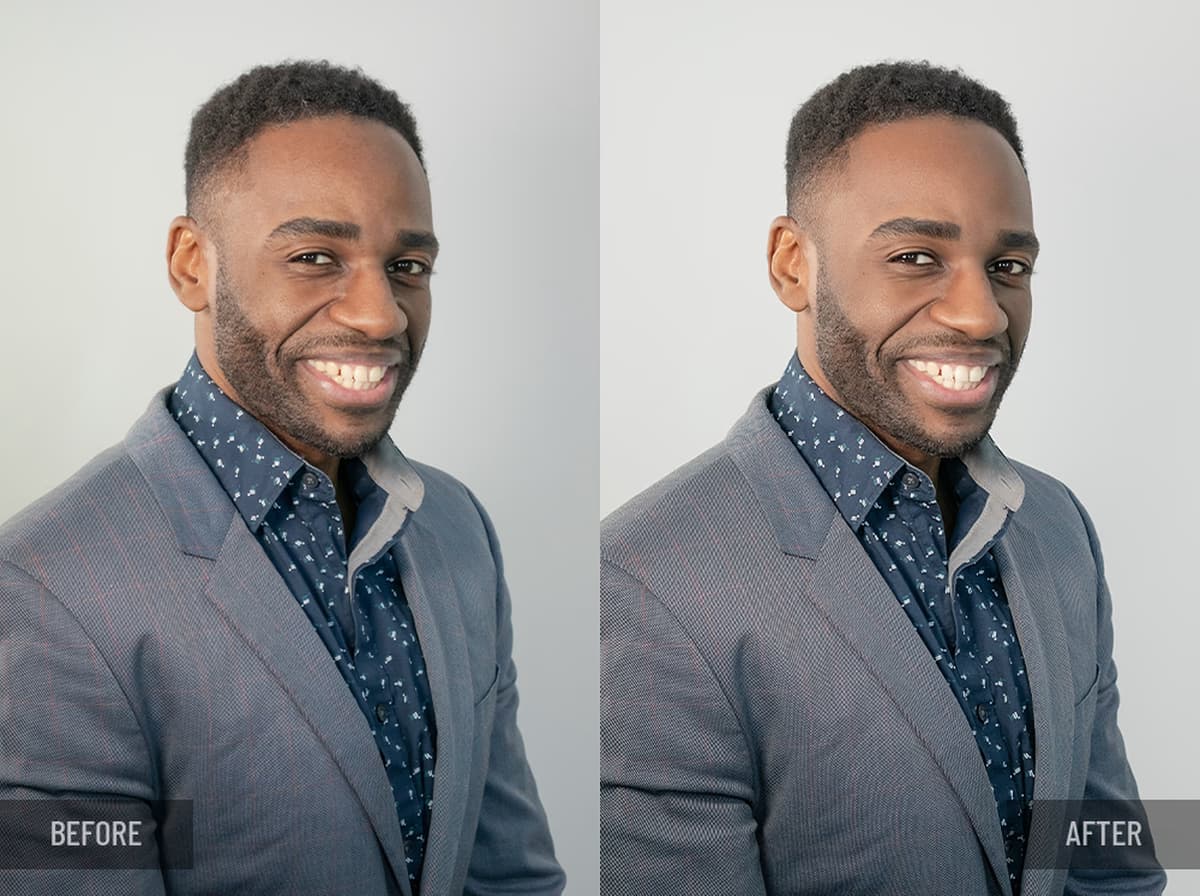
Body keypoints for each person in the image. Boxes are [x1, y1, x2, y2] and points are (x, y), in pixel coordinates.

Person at [0, 60, 564, 895]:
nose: (379, 315)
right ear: (193, 263)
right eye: (313, 256)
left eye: (407, 267)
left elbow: (504, 873)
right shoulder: (48, 585)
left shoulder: (456, 528)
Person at [600, 61, 1163, 896]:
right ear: (794, 264)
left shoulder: (1058, 524)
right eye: (914, 256)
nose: (980, 314)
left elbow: (1105, 850)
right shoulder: (644, 581)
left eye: (1008, 267)